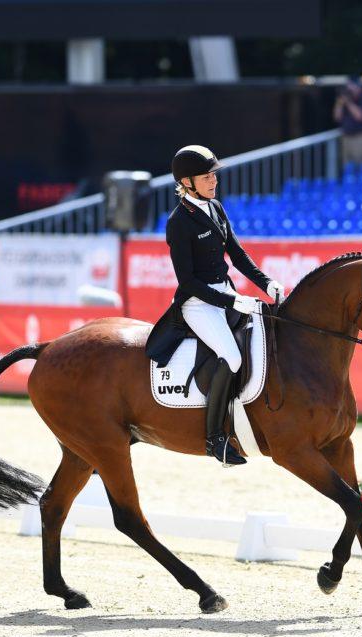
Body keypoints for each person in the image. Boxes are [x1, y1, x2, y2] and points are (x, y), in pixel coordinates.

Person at [152, 145, 284, 467]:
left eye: (214, 174)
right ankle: (215, 439)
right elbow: (188, 282)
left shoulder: (216, 208)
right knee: (232, 356)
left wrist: (266, 283)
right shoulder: (178, 222)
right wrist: (232, 300)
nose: (214, 180)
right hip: (198, 303)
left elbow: (237, 256)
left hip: (226, 294)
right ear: (187, 181)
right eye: (206, 176)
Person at [332, 77, 362, 166]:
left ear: (358, 87)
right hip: (346, 137)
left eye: (352, 87)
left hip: (360, 138)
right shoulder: (345, 99)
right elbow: (337, 117)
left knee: (361, 166)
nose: (349, 90)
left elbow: (360, 116)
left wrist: (348, 103)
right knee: (347, 167)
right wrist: (339, 103)